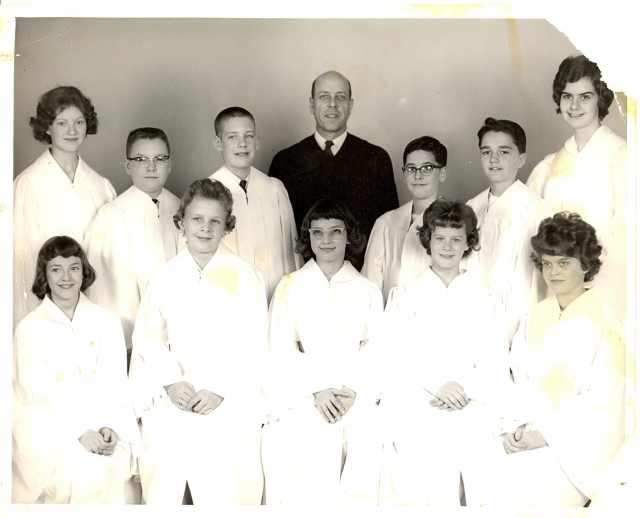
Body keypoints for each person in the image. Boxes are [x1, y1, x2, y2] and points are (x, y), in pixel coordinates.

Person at [471, 213, 627, 507]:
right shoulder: (536, 316)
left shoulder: (607, 324)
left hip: (572, 453)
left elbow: (607, 404)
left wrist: (546, 436)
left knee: (514, 484)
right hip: (525, 433)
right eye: (546, 263)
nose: (553, 272)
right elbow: (515, 378)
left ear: (586, 264)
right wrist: (509, 426)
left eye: (563, 262)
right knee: (476, 465)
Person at [129, 179, 266, 505]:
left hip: (226, 398)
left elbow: (253, 340)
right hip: (175, 396)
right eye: (197, 219)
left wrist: (219, 387)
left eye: (215, 221)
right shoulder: (164, 278)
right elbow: (148, 337)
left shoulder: (244, 276)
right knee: (169, 487)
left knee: (226, 488)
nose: (205, 229)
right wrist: (172, 382)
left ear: (226, 226)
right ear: (182, 223)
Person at [378, 200, 511, 506]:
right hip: (419, 395)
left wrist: (463, 390)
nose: (447, 247)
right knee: (418, 449)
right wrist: (439, 384)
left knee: (475, 447)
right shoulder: (407, 296)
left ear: (468, 243)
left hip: (470, 398)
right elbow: (395, 354)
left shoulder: (486, 299)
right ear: (428, 240)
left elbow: (494, 361)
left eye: (456, 239)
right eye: (439, 238)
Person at [262, 199, 384, 505]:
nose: (326, 240)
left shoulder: (366, 289)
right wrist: (315, 389)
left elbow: (377, 347)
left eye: (335, 231)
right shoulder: (291, 286)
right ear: (308, 238)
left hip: (350, 399)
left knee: (353, 483)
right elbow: (279, 345)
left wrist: (354, 389)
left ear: (348, 235)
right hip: (305, 397)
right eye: (318, 233)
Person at [12, 236, 142, 504]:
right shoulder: (30, 329)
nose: (65, 277)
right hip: (55, 431)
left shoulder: (107, 321)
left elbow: (116, 384)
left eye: (73, 267)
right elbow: (33, 396)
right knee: (80, 469)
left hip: (107, 427)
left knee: (115, 466)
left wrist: (109, 427)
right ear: (44, 275)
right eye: (56, 269)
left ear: (84, 272)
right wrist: (81, 431)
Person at [526, 55, 626, 325]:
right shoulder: (549, 165)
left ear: (600, 99)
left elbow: (626, 235)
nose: (574, 105)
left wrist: (584, 280)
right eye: (567, 96)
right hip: (556, 291)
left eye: (585, 96)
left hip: (604, 291)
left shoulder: (622, 157)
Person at [268, 71, 398, 268]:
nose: (333, 104)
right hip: (302, 280)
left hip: (361, 279)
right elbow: (275, 235)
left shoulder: (376, 158)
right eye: (324, 96)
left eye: (340, 97)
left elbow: (389, 231)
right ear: (312, 105)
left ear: (350, 105)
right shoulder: (285, 161)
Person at [13, 86, 116, 328]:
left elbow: (107, 258)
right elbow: (23, 260)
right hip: (44, 310)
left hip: (92, 308)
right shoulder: (30, 184)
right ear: (47, 127)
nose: (72, 131)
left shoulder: (101, 186)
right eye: (62, 123)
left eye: (79, 122)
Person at [85, 127, 181, 358]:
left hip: (180, 336)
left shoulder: (181, 208)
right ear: (128, 165)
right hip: (136, 344)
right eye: (140, 159)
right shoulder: (113, 216)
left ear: (170, 164)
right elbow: (107, 293)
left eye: (160, 159)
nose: (151, 167)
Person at [466, 118, 552, 344]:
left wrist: (515, 338)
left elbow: (531, 281)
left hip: (510, 324)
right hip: (470, 317)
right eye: (486, 152)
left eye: (504, 151)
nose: (494, 159)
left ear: (521, 158)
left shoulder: (532, 207)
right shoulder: (471, 208)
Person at [210, 107, 302, 301]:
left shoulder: (274, 189)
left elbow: (292, 253)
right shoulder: (207, 193)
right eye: (232, 137)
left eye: (248, 135)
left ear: (257, 141)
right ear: (218, 143)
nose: (242, 143)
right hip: (229, 303)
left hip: (275, 301)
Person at [362, 136, 447, 304]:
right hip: (391, 322)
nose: (418, 175)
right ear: (404, 174)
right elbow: (371, 285)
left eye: (427, 168)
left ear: (442, 174)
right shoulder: (386, 223)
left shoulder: (454, 223)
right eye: (411, 169)